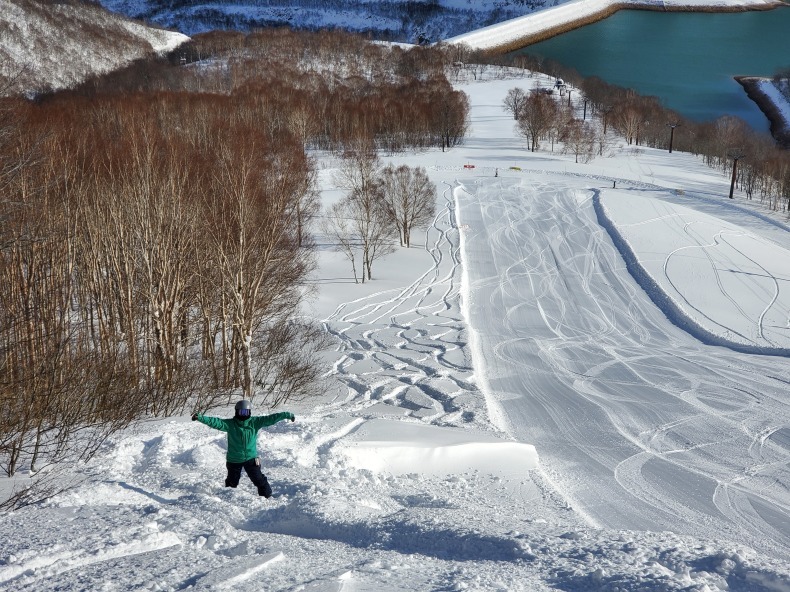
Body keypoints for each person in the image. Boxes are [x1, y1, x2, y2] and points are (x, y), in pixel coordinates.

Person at [192, 400, 295, 498]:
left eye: (246, 412)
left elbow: (271, 418)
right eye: (241, 412)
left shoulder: (255, 422)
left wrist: (287, 415)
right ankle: (228, 498)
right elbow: (215, 422)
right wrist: (200, 418)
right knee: (232, 482)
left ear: (249, 412)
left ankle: (267, 496)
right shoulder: (230, 424)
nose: (243, 415)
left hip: (251, 458)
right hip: (234, 459)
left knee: (259, 479)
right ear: (236, 412)